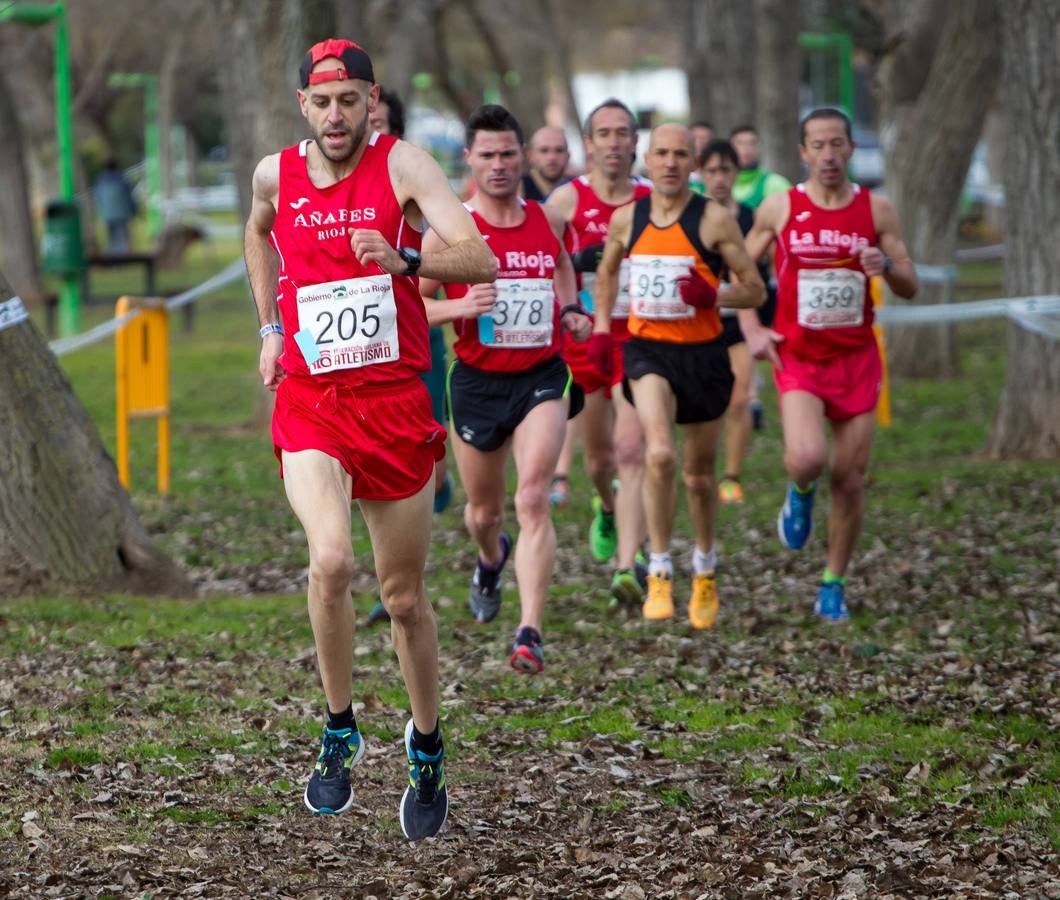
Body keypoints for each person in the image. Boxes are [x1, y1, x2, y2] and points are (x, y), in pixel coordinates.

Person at [243, 38, 495, 839]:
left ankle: (425, 744)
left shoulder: (405, 167)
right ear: (303, 106)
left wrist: (407, 255)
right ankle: (340, 725)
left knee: (403, 597)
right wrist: (270, 327)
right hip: (314, 402)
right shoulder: (272, 174)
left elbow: (479, 256)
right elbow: (258, 232)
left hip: (393, 403)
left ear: (372, 100)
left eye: (350, 99)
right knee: (330, 561)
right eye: (322, 102)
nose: (336, 115)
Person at [420, 104, 590, 673]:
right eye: (487, 155)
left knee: (534, 497)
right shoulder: (453, 232)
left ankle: (529, 631)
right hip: (476, 382)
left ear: (523, 157)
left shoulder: (544, 219)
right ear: (468, 158)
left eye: (507, 153)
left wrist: (569, 308)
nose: (498, 164)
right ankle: (491, 561)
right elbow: (410, 308)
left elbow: (564, 266)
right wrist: (460, 305)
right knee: (484, 514)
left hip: (541, 376)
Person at [739, 107, 917, 621]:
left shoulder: (876, 210)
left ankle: (833, 581)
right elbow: (744, 272)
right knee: (807, 459)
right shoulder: (781, 207)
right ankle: (798, 494)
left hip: (856, 357)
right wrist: (752, 329)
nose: (829, 154)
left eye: (837, 143)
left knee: (850, 478)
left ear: (850, 149)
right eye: (818, 145)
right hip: (799, 356)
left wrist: (887, 267)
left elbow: (909, 283)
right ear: (803, 153)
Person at [593, 124, 764, 627]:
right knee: (660, 454)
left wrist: (716, 296)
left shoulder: (714, 221)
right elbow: (606, 271)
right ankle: (661, 568)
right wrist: (604, 329)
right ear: (646, 159)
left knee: (698, 476)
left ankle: (705, 567)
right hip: (648, 352)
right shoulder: (627, 219)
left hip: (704, 356)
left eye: (680, 155)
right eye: (661, 153)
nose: (670, 163)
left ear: (693, 163)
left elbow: (754, 290)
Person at [546, 99, 653, 608]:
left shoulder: (657, 199)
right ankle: (607, 509)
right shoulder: (566, 201)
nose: (614, 142)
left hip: (643, 339)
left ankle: (627, 566)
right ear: (588, 144)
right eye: (604, 134)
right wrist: (574, 263)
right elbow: (538, 262)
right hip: (587, 341)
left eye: (623, 133)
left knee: (634, 451)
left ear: (636, 143)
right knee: (600, 459)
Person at [366, 86, 450, 627]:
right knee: (364, 477)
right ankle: (391, 586)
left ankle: (407, 577)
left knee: (430, 479)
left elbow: (455, 259)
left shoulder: (413, 183)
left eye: (375, 122)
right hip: (351, 361)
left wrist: (408, 261)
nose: (359, 129)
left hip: (415, 348)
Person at [699, 138, 775, 504]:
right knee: (702, 400)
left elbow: (772, 261)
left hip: (742, 322)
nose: (719, 178)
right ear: (700, 174)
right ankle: (700, 470)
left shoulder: (751, 217)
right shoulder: (692, 216)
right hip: (700, 322)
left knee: (740, 399)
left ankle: (731, 475)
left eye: (725, 170)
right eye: (711, 170)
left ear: (735, 173)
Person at [730, 125, 792, 210]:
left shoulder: (777, 184)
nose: (746, 148)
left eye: (752, 143)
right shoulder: (719, 185)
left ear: (759, 148)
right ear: (730, 148)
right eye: (740, 143)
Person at [93, 159, 137, 253]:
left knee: (111, 237)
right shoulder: (122, 178)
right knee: (124, 236)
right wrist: (134, 209)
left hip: (107, 214)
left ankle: (114, 255)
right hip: (123, 213)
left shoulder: (100, 180)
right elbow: (130, 195)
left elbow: (97, 197)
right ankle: (125, 256)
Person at [521, 125, 571, 202]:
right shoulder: (517, 190)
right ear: (530, 156)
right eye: (544, 150)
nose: (552, 157)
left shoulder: (578, 190)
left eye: (559, 150)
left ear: (568, 156)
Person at [688, 121, 714, 196]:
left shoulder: (719, 174)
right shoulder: (678, 171)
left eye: (705, 138)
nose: (700, 142)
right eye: (696, 137)